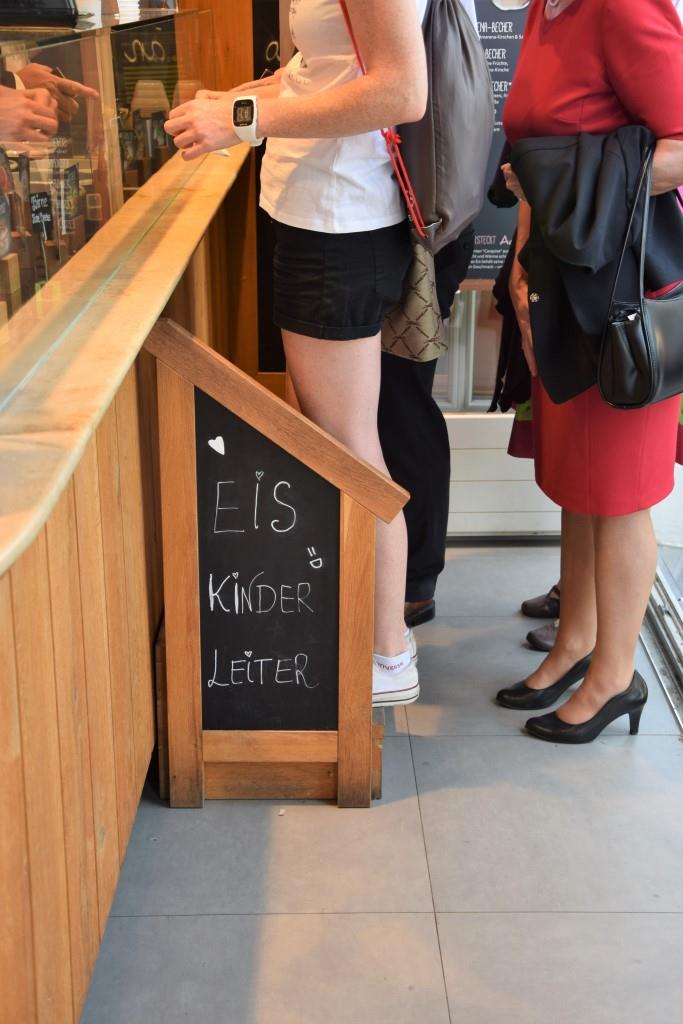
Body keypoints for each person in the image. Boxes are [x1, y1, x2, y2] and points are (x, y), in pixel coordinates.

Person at [164, 0, 429, 707]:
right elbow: (319, 73)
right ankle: (373, 641)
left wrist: (242, 120)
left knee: (347, 451)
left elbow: (401, 89)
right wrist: (239, 100)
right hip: (317, 215)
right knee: (331, 442)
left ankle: (386, 657)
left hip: (340, 223)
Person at [494, 0, 683, 742]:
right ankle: (575, 643)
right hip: (558, 279)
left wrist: (573, 182)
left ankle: (614, 678)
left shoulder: (623, 7)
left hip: (620, 291)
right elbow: (534, 156)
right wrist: (518, 260)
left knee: (619, 489)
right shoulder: (546, 9)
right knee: (576, 477)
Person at [379, 0, 478, 631]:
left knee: (401, 398)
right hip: (432, 212)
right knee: (399, 396)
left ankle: (416, 573)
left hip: (417, 220)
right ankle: (413, 570)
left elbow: (404, 95)